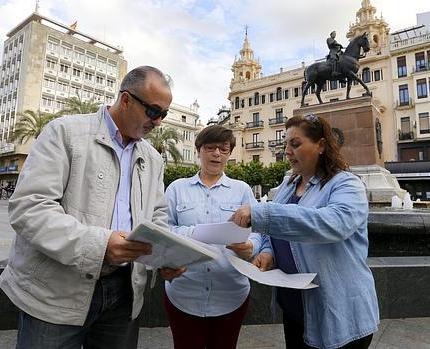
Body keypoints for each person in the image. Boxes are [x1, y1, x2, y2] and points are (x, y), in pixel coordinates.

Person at [0, 66, 172, 349]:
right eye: (153, 112)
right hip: (57, 292)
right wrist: (102, 245)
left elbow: (157, 215)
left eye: (163, 114)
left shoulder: (153, 159)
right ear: (126, 100)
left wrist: (166, 256)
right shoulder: (65, 133)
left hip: (126, 292)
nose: (159, 122)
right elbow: (30, 208)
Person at [230, 114, 379, 349]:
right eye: (286, 144)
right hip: (295, 309)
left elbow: (334, 223)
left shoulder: (347, 184)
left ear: (320, 145)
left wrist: (262, 214)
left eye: (295, 144)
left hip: (338, 314)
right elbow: (271, 235)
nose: (287, 151)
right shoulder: (288, 185)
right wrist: (268, 252)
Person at [161, 125, 270, 349]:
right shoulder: (176, 189)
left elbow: (259, 230)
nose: (217, 153)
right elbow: (162, 229)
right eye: (210, 147)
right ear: (198, 150)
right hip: (184, 293)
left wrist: (251, 246)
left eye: (224, 148)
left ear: (229, 153)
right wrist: (194, 233)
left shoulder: (241, 190)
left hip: (231, 294)